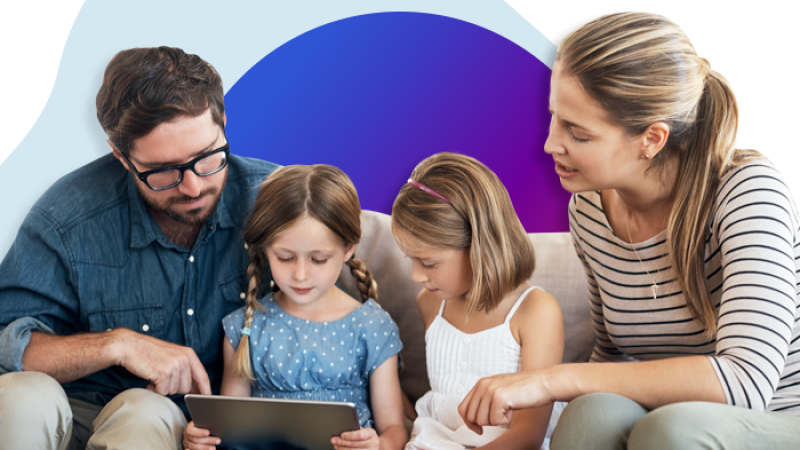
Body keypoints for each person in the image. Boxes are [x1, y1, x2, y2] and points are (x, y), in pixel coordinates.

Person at [457, 12, 800, 450]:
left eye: (578, 133)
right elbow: (613, 359)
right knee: (591, 414)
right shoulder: (588, 210)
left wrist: (550, 380)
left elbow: (746, 382)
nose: (550, 144)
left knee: (671, 432)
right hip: (669, 417)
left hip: (780, 414)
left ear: (652, 139)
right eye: (555, 117)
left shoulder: (747, 190)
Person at [0, 46, 278, 449]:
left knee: (146, 411)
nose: (193, 186)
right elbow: (7, 341)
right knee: (23, 398)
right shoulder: (67, 218)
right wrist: (118, 344)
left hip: (200, 429)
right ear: (121, 155)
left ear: (223, 123)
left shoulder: (276, 199)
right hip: (80, 415)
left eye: (207, 158)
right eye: (164, 170)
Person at [183, 164, 408, 450]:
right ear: (265, 248)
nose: (301, 275)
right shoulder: (246, 326)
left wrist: (378, 445)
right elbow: (229, 430)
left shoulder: (373, 327)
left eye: (318, 259)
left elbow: (394, 431)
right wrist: (201, 439)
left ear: (348, 248)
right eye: (286, 257)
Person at [391, 152, 565, 450]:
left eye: (428, 263)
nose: (416, 276)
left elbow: (529, 435)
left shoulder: (535, 312)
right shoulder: (430, 304)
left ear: (479, 249)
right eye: (411, 260)